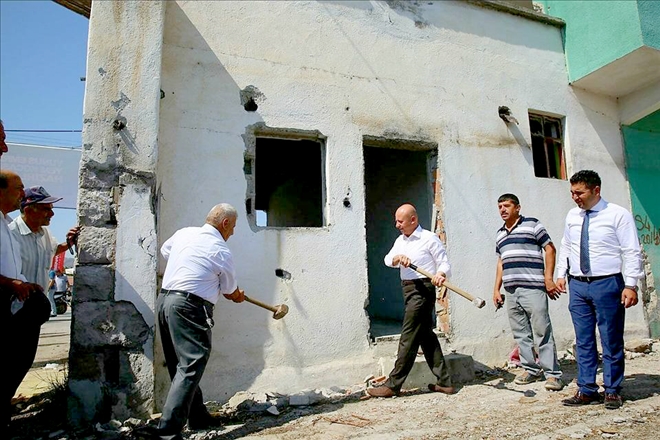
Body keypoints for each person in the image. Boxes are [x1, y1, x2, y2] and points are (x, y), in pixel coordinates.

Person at [136, 204, 245, 440]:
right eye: (233, 227)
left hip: (166, 302)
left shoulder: (184, 233)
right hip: (190, 307)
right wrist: (237, 295)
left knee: (181, 365)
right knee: (192, 364)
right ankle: (167, 432)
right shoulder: (220, 250)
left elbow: (166, 251)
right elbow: (229, 290)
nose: (233, 233)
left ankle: (197, 416)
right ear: (225, 223)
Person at [556, 170, 643, 410]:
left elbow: (631, 250)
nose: (575, 197)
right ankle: (586, 389)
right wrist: (560, 274)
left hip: (607, 284)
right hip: (578, 285)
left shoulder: (617, 214)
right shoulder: (573, 215)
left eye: (579, 192)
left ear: (596, 190)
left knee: (611, 338)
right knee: (583, 339)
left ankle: (613, 390)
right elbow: (567, 244)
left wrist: (631, 285)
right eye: (572, 192)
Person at [366, 203, 455, 398]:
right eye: (396, 220)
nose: (396, 224)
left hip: (423, 288)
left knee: (408, 336)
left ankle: (393, 384)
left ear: (413, 220)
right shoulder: (400, 241)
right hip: (408, 288)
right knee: (426, 336)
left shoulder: (428, 238)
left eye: (400, 221)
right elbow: (387, 260)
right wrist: (397, 258)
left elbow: (444, 262)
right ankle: (445, 382)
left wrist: (440, 274)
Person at [492, 194, 563, 391]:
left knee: (542, 330)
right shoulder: (500, 234)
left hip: (533, 288)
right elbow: (501, 262)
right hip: (511, 290)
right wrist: (496, 289)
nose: (503, 210)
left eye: (507, 206)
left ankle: (552, 374)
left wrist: (548, 279)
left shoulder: (533, 225)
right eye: (500, 207)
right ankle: (530, 369)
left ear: (518, 208)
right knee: (521, 333)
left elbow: (550, 249)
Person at [0, 170, 47, 427]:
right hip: (9, 303)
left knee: (21, 359)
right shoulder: (12, 229)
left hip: (19, 305)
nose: (21, 194)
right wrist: (13, 283)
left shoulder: (5, 225)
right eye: (18, 188)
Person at [8, 186, 80, 302]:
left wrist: (69, 243)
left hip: (37, 306)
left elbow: (53, 250)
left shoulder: (45, 233)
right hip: (14, 309)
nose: (52, 214)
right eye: (46, 209)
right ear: (28, 210)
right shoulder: (10, 234)